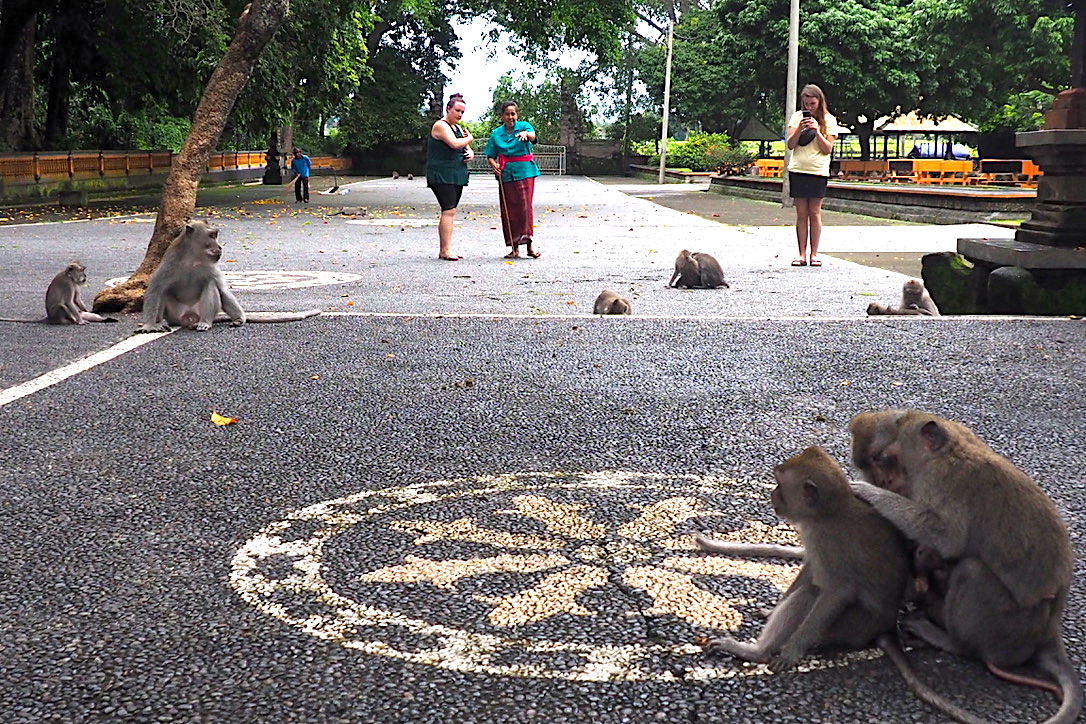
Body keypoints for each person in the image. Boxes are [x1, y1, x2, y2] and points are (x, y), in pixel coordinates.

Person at [785, 84, 841, 267]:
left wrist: (817, 131)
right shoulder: (797, 117)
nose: (809, 107)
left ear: (819, 102)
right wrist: (800, 128)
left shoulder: (829, 120)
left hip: (818, 171)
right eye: (806, 103)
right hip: (798, 169)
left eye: (813, 103)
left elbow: (827, 149)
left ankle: (814, 254)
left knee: (814, 213)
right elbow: (791, 145)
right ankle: (801, 254)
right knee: (801, 213)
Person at [484, 101, 542, 259]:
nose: (510, 117)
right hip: (506, 172)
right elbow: (490, 154)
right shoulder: (496, 133)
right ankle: (514, 247)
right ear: (502, 116)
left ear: (517, 115)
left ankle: (529, 245)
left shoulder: (524, 126)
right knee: (508, 209)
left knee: (525, 208)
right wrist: (493, 164)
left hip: (524, 171)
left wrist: (526, 135)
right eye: (507, 114)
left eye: (513, 114)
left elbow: (533, 135)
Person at [426, 93, 475, 261]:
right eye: (457, 111)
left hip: (456, 174)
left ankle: (446, 248)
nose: (460, 115)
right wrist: (469, 138)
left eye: (462, 112)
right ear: (448, 109)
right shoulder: (441, 126)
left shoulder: (458, 128)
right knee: (449, 210)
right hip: (441, 174)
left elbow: (466, 147)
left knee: (450, 210)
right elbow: (454, 144)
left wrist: (470, 152)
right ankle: (445, 250)